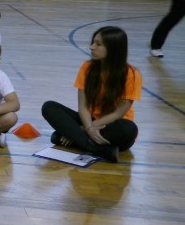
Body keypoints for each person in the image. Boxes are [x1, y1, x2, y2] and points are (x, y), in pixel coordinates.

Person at [42, 26, 142, 163]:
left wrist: (83, 129)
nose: (92, 47)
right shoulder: (87, 68)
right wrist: (89, 127)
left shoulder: (131, 74)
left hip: (113, 127)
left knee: (129, 129)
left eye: (98, 44)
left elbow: (117, 114)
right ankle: (99, 149)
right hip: (89, 120)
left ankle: (73, 138)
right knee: (49, 107)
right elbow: (83, 107)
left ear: (113, 48)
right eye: (93, 42)